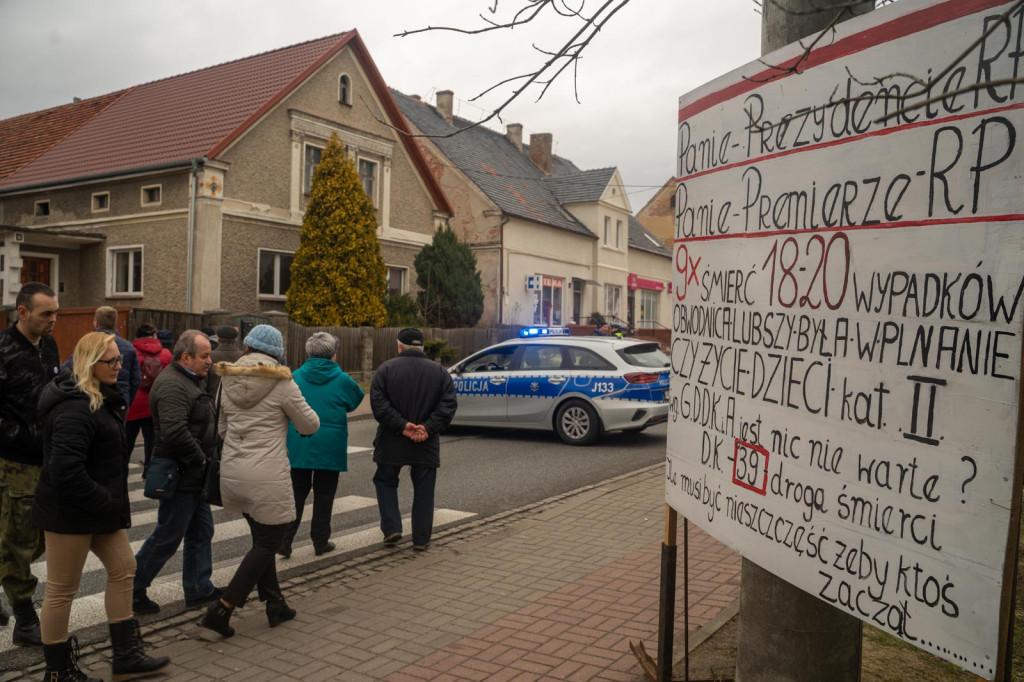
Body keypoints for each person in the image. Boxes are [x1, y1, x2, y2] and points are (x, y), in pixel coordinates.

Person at [34, 332, 169, 681]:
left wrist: (106, 504)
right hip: (70, 512)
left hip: (97, 509)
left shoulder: (99, 398)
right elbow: (65, 471)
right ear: (90, 363)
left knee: (124, 569)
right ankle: (58, 672)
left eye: (120, 360)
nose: (119, 367)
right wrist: (105, 500)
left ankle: (125, 657)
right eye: (111, 361)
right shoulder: (74, 407)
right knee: (62, 590)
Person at [201, 325, 319, 638]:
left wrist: (242, 446)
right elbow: (310, 423)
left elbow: (222, 427)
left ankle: (275, 603)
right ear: (276, 354)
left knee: (261, 540)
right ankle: (222, 609)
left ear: (248, 348)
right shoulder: (282, 383)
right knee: (272, 541)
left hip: (234, 469)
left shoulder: (227, 378)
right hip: (267, 474)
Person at [132, 330, 221, 615]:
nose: (210, 361)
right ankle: (132, 590)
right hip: (180, 473)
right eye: (205, 355)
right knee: (167, 536)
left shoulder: (189, 380)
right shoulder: (173, 384)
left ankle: (198, 589)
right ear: (186, 357)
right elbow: (173, 432)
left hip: (193, 474)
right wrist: (201, 460)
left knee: (201, 531)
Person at [0, 281, 60, 646]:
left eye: (56, 312)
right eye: (46, 314)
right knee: (21, 539)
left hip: (49, 456)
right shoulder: (3, 350)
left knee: (38, 536)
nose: (54, 319)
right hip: (16, 460)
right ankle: (25, 619)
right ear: (22, 313)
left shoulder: (49, 344)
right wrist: (21, 437)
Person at [370, 327, 457, 551]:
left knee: (385, 481)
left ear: (399, 346)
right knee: (424, 488)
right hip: (425, 442)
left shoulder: (385, 370)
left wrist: (402, 426)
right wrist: (427, 428)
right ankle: (421, 539)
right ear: (422, 347)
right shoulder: (440, 372)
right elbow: (447, 406)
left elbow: (379, 405)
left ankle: (392, 528)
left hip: (392, 439)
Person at [280, 332, 364, 559]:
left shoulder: (294, 376)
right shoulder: (343, 380)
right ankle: (320, 541)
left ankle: (285, 541)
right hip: (330, 444)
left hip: (299, 442)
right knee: (325, 495)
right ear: (333, 355)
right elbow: (355, 401)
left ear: (308, 353)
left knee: (296, 493)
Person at [126, 323, 172, 476]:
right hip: (155, 405)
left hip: (133, 405)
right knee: (152, 444)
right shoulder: (166, 354)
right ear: (154, 335)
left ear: (137, 336)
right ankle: (150, 474)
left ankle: (121, 472)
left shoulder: (131, 351)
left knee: (127, 443)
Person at [206, 325, 244, 399]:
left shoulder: (209, 357)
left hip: (213, 400)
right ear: (236, 340)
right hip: (237, 401)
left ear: (218, 339)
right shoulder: (243, 357)